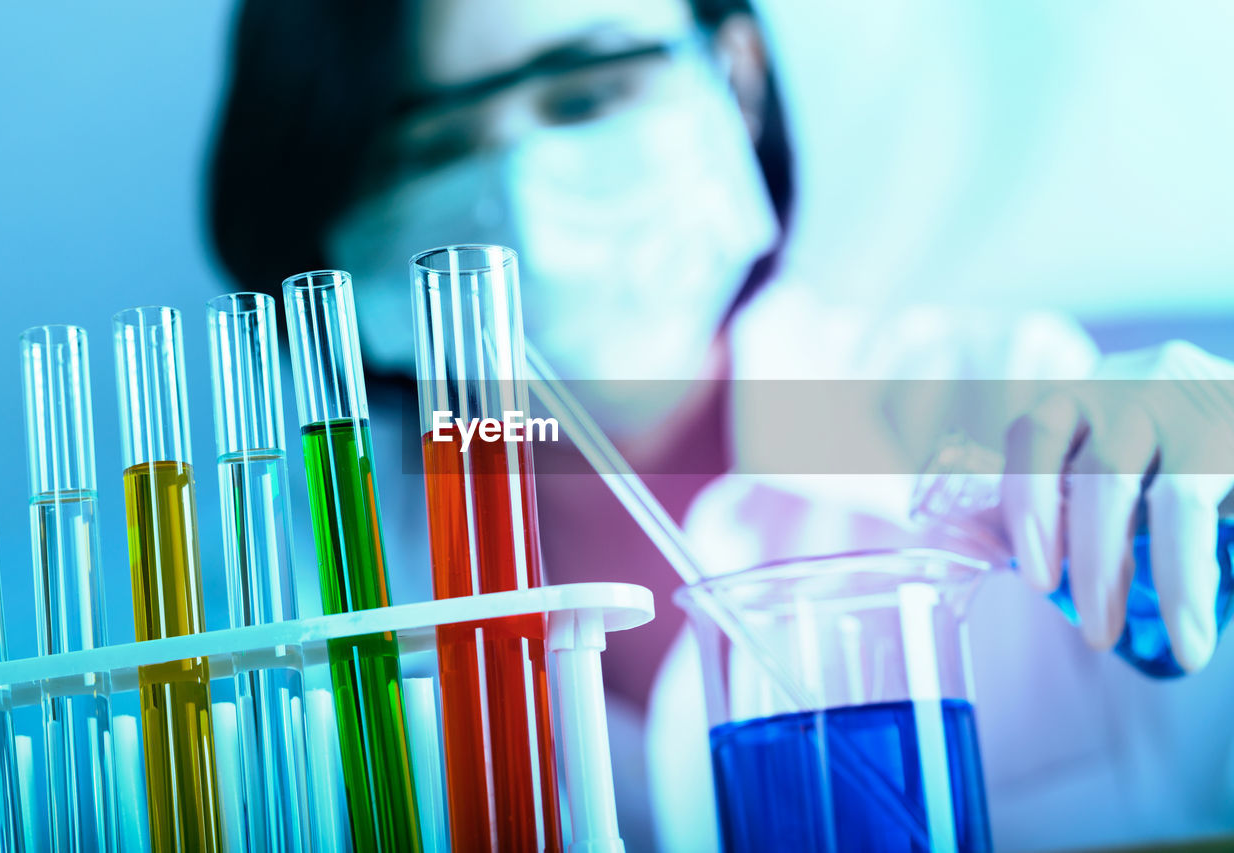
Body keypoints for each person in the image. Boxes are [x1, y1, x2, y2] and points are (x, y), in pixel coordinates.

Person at [207, 0, 1234, 848]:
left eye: (588, 92)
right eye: (428, 146)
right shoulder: (302, 576)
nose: (520, 197)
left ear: (734, 75)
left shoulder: (1010, 408)